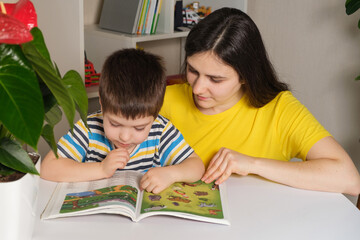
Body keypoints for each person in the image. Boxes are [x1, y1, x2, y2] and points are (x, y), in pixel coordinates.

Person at [159, 8, 360, 195]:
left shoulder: (279, 110)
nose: (197, 88)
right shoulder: (165, 100)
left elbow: (349, 179)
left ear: (246, 75)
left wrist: (253, 164)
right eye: (193, 71)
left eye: (215, 79)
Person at [40, 48, 205, 194]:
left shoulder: (160, 130)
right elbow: (48, 168)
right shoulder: (88, 129)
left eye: (139, 128)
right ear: (102, 104)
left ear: (154, 115)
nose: (125, 137)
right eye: (115, 124)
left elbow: (196, 166)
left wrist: (171, 174)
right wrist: (101, 169)